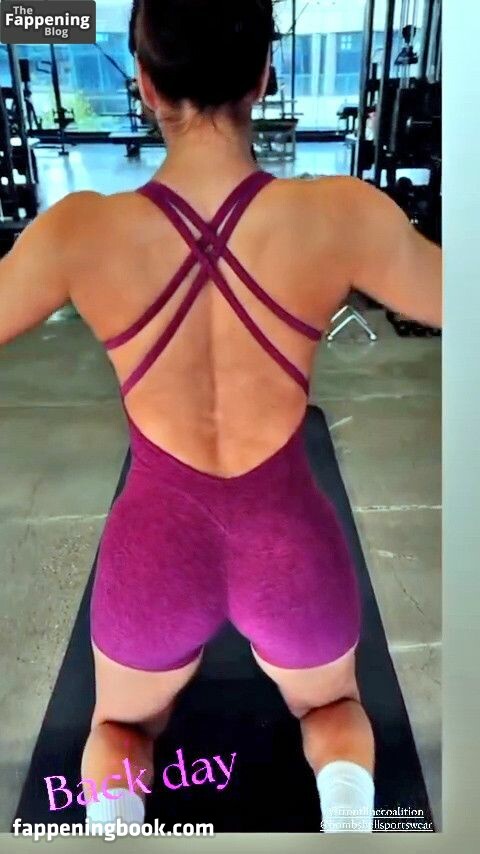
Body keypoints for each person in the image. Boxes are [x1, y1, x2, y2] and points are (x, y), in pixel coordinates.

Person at [0, 0, 442, 834]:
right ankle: (348, 826)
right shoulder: (340, 215)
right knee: (334, 710)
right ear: (264, 78)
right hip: (288, 538)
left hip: (156, 546)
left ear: (143, 83)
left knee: (119, 729)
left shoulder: (79, 231)